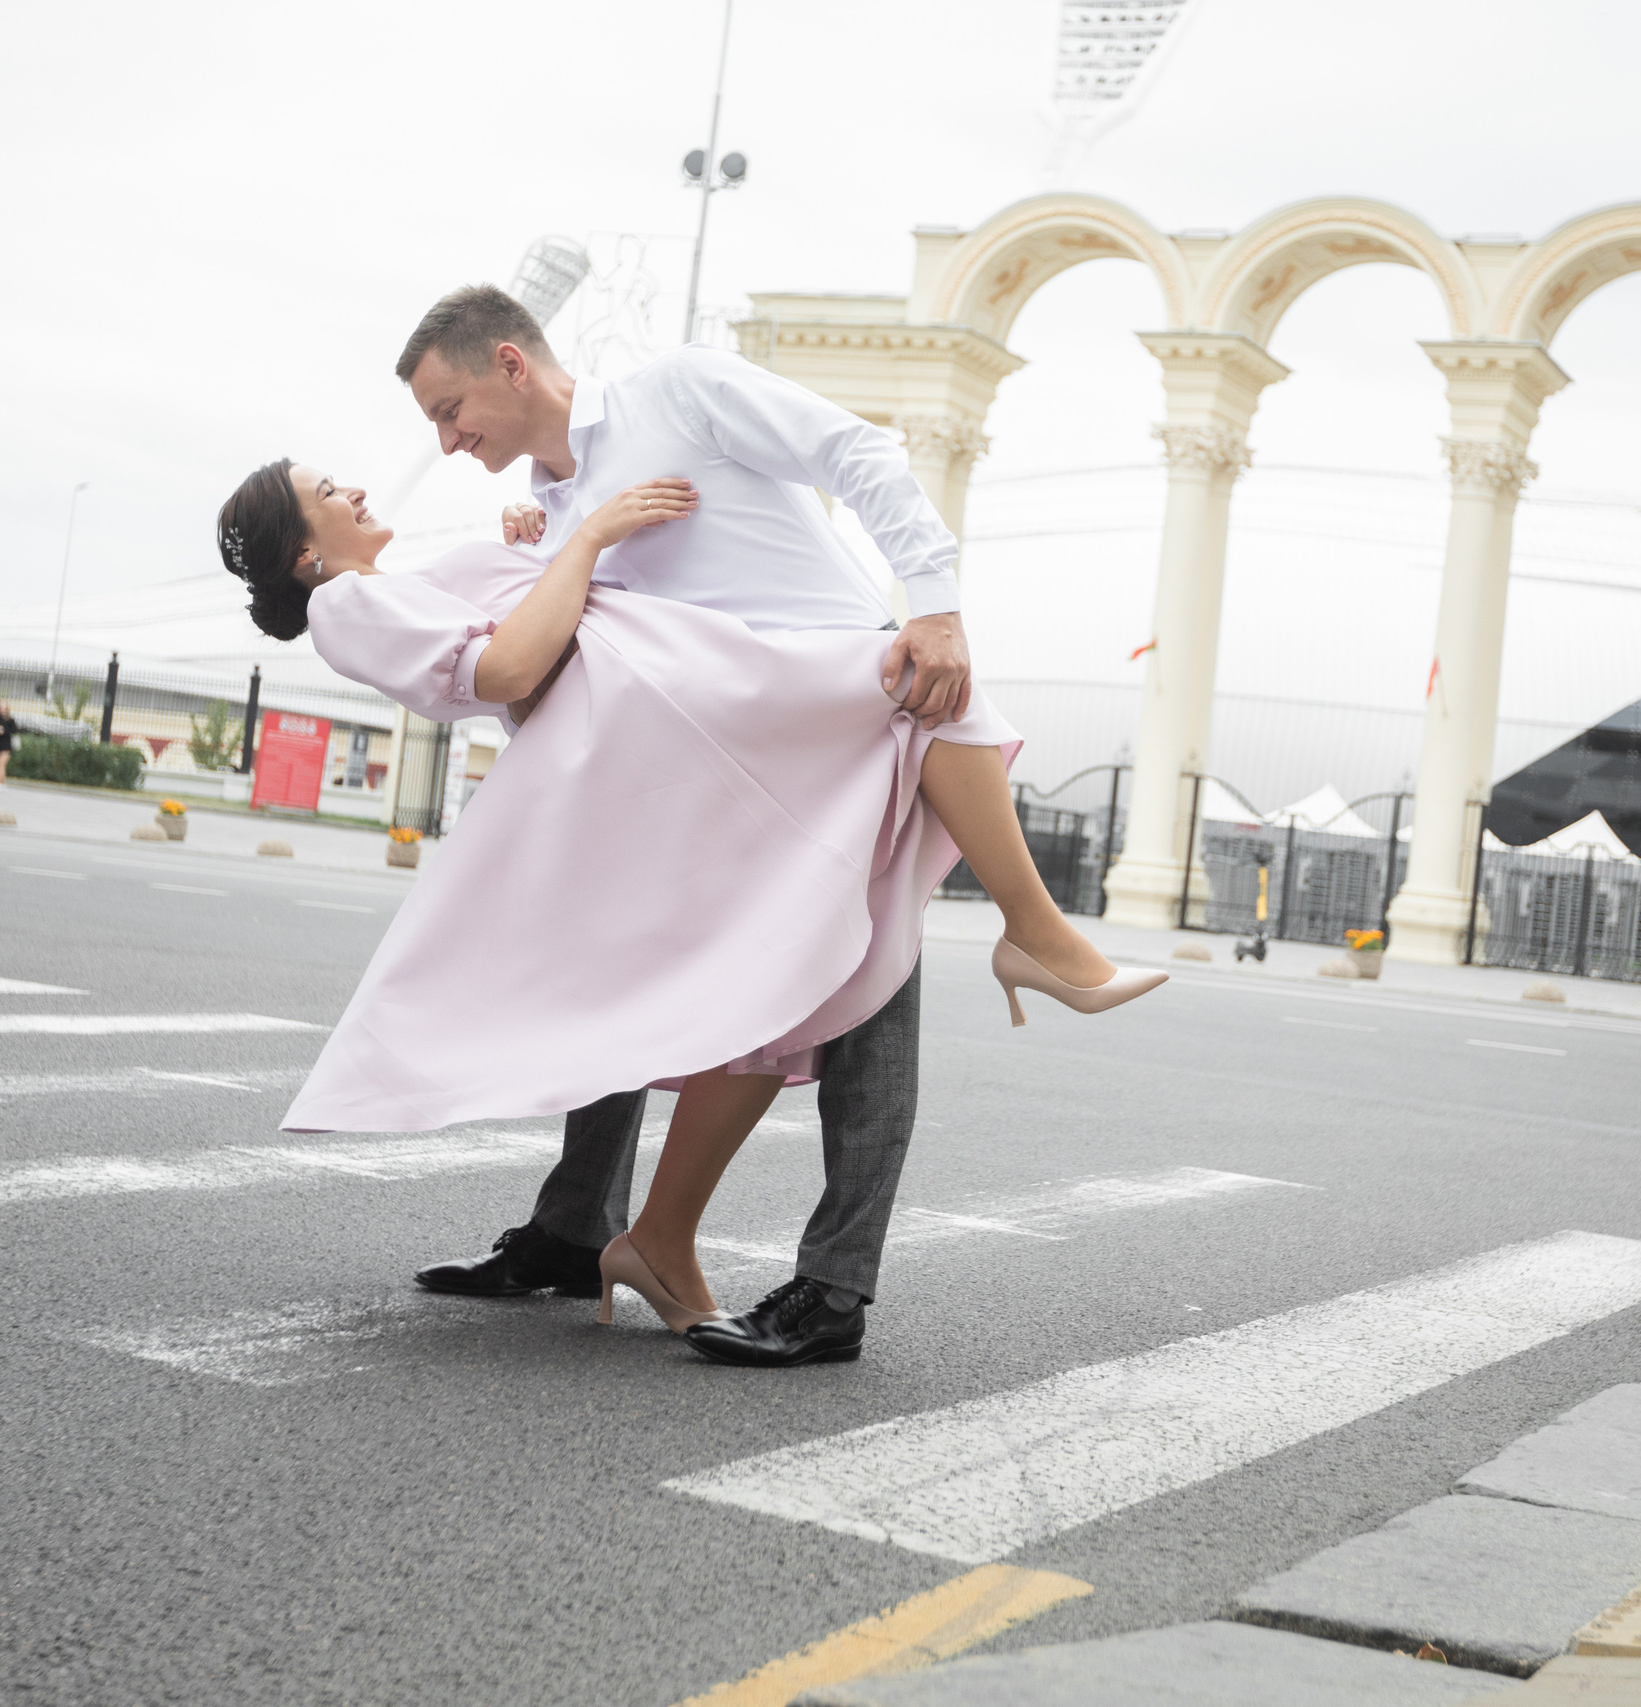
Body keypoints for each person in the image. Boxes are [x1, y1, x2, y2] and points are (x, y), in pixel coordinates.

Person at [220, 286, 1161, 1365]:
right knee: (655, 984)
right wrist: (554, 548)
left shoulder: (677, 390)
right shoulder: (553, 509)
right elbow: (528, 663)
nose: (444, 440)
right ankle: (588, 1230)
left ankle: (830, 1284)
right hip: (716, 760)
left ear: (511, 365)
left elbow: (855, 451)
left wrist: (935, 603)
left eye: (450, 409)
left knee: (852, 992)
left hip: (837, 715)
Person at [0, 702, 19, 791]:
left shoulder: (11, 720)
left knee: (1, 763)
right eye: (1, 708)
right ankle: (2, 782)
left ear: (7, 709)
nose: (3, 710)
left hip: (6, 744)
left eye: (4, 708)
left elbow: (15, 730)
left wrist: (4, 731)